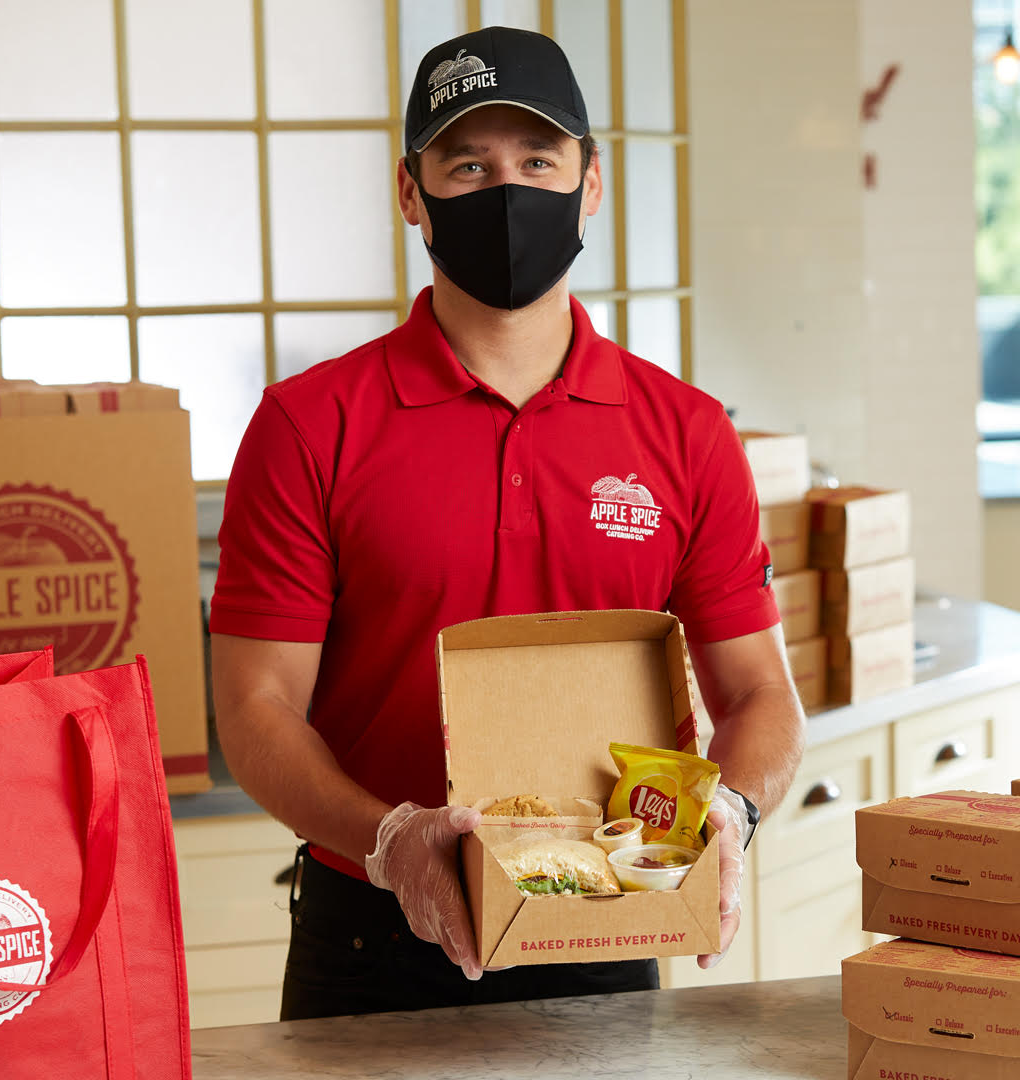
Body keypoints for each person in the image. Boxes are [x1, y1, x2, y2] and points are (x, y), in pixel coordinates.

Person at [209, 26, 805, 1021]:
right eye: (468, 164)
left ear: (592, 181)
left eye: (537, 160)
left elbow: (760, 696)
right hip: (370, 932)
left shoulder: (688, 434)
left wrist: (732, 813)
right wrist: (390, 837)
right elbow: (256, 708)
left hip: (613, 918)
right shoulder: (310, 425)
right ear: (412, 192)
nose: (506, 191)